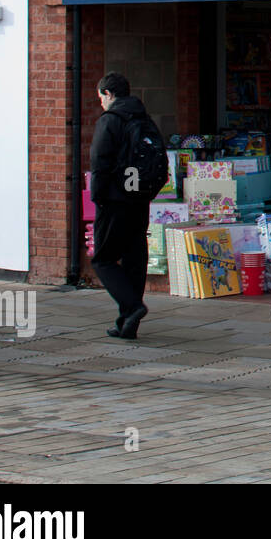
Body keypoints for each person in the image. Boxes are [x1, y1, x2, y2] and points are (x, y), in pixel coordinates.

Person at [90, 72, 155, 339]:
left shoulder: (111, 120)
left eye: (101, 98)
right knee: (134, 260)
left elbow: (99, 162)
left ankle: (132, 307)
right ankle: (127, 323)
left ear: (108, 94)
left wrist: (98, 198)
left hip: (114, 200)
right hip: (139, 200)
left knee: (103, 259)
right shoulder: (144, 119)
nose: (101, 104)